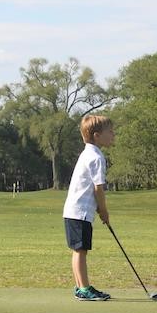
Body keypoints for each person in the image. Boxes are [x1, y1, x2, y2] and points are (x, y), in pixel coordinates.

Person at [63, 115, 115, 301]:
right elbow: (98, 188)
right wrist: (104, 210)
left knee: (78, 250)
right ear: (97, 135)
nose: (113, 135)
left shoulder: (87, 153)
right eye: (110, 132)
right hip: (80, 212)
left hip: (74, 211)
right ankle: (83, 288)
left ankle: (80, 286)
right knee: (80, 250)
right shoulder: (96, 157)